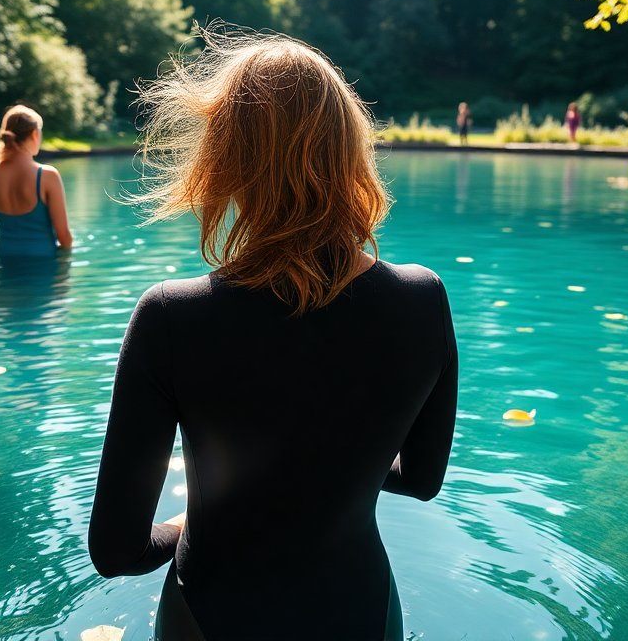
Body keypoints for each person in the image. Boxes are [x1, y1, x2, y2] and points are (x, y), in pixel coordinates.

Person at [88, 33, 459, 641]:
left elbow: (117, 551)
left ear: (226, 160)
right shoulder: (423, 299)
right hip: (361, 612)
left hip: (210, 617)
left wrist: (181, 528)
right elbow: (420, 480)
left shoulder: (171, 316)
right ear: (350, 152)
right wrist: (343, 463)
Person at [0, 105, 73, 256]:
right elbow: (64, 237)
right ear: (35, 134)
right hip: (43, 263)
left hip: (5, 261)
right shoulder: (47, 175)